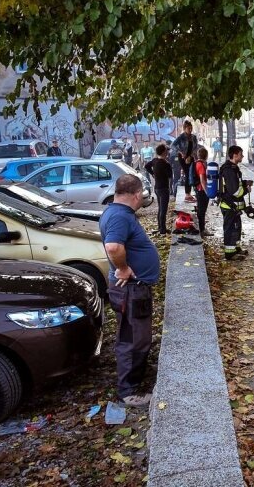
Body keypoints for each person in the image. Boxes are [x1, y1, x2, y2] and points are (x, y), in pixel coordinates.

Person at [99, 174, 160, 407]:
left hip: (132, 290)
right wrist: (123, 268)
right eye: (141, 196)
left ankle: (133, 381)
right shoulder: (119, 217)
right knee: (134, 340)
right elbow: (113, 246)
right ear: (136, 195)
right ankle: (129, 391)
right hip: (131, 290)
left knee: (131, 336)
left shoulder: (114, 212)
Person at [219, 145, 251, 260]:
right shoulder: (229, 170)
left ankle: (236, 248)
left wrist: (245, 183)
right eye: (241, 154)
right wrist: (246, 189)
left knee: (237, 227)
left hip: (233, 207)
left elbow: (235, 185)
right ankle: (230, 253)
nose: (242, 156)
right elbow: (235, 191)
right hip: (229, 206)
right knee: (230, 229)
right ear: (235, 155)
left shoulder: (234, 168)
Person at [144, 143, 173, 234]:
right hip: (164, 188)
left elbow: (146, 166)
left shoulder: (154, 161)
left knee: (160, 209)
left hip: (156, 188)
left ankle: (160, 227)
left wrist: (153, 173)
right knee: (163, 210)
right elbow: (170, 175)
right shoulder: (165, 163)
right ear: (164, 152)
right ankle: (163, 230)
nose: (168, 153)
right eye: (166, 151)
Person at [171, 120, 199, 203]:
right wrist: (180, 152)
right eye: (188, 128)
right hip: (182, 157)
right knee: (187, 174)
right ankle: (187, 194)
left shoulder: (193, 137)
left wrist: (192, 156)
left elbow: (195, 147)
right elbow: (172, 145)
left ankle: (190, 192)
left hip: (191, 157)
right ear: (184, 128)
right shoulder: (181, 137)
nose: (190, 130)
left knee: (192, 174)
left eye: (191, 128)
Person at [193, 147, 213, 236]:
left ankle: (201, 228)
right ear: (206, 155)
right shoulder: (201, 165)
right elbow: (202, 180)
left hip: (199, 189)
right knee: (202, 211)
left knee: (201, 210)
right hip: (201, 190)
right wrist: (207, 192)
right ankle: (202, 230)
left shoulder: (198, 163)